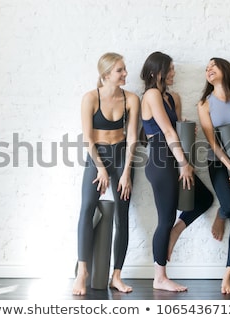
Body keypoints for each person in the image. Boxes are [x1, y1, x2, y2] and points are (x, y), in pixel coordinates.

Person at [140, 51, 213, 292]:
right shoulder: (151, 95)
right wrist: (184, 163)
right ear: (155, 72)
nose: (173, 73)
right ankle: (159, 276)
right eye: (169, 69)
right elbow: (168, 133)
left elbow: (177, 127)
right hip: (161, 160)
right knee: (165, 218)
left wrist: (187, 130)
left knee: (203, 199)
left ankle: (175, 232)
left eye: (173, 69)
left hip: (174, 157)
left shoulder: (173, 97)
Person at [73, 52, 140, 296]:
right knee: (87, 207)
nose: (125, 74)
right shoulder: (90, 98)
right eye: (120, 70)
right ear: (106, 74)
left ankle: (117, 276)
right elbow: (87, 138)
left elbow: (132, 136)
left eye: (124, 69)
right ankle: (83, 272)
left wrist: (126, 173)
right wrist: (100, 167)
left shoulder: (131, 98)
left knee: (122, 214)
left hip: (123, 155)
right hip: (97, 156)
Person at [195, 57, 230, 294]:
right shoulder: (204, 104)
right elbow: (212, 142)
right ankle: (221, 213)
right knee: (229, 206)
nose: (208, 69)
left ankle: (227, 275)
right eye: (206, 67)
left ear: (225, 70)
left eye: (213, 65)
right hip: (218, 163)